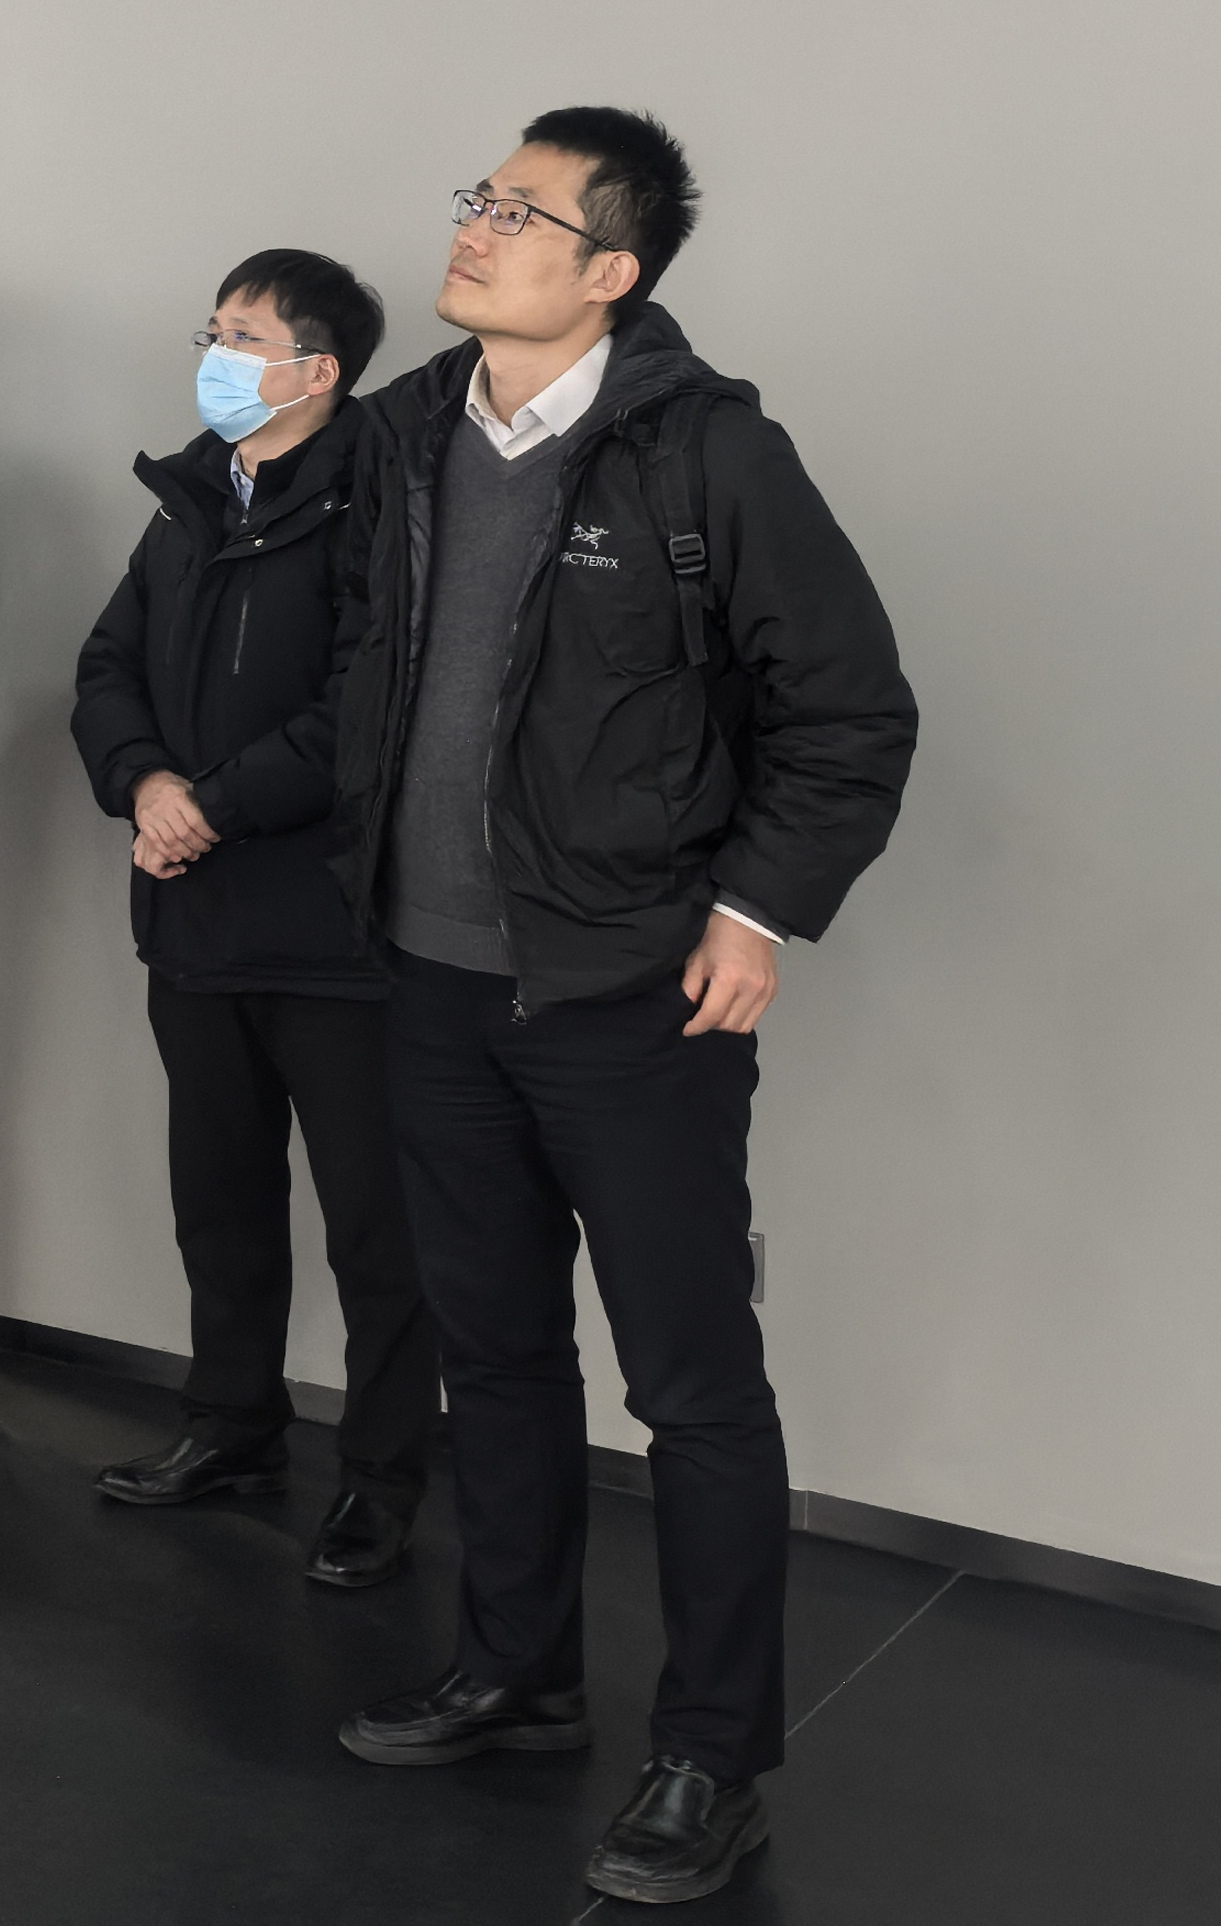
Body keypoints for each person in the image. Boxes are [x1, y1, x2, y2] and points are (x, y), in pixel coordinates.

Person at [324, 112, 914, 1912]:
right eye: (479, 197)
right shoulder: (405, 433)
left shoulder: (709, 451)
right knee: (493, 1351)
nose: (478, 226)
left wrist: (755, 908)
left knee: (692, 1388)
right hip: (430, 981)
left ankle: (712, 1756)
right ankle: (517, 1672)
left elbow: (849, 709)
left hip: (625, 993)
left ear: (611, 270)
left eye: (522, 211)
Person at [69, 252, 434, 1591]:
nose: (215, 358)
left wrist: (205, 806)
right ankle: (230, 1426)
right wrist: (146, 786)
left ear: (318, 372)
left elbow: (365, 711)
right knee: (218, 1201)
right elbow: (105, 667)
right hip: (193, 920)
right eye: (212, 332)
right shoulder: (189, 500)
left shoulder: (381, 504)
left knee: (379, 1232)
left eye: (242, 337)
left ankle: (384, 1479)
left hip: (335, 934)